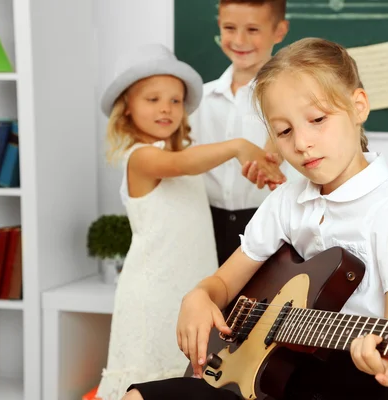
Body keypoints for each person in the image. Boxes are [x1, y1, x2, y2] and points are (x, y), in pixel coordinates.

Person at [122, 37, 388, 400]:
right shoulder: (286, 200)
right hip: (267, 376)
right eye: (285, 131)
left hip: (349, 387)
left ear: (358, 107)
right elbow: (224, 284)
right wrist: (198, 295)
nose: (302, 143)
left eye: (318, 120)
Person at [95, 43, 283, 400]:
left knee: (182, 384)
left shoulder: (185, 156)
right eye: (152, 99)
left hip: (191, 289)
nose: (166, 108)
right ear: (127, 109)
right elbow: (183, 165)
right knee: (147, 382)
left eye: (175, 101)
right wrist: (238, 146)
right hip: (153, 293)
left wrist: (263, 161)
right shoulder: (141, 159)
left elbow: (199, 166)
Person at [189, 0, 291, 266]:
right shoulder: (199, 99)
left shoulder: (289, 94)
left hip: (268, 224)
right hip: (204, 224)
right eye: (230, 28)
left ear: (279, 31)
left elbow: (280, 141)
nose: (239, 39)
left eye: (253, 29)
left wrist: (268, 161)